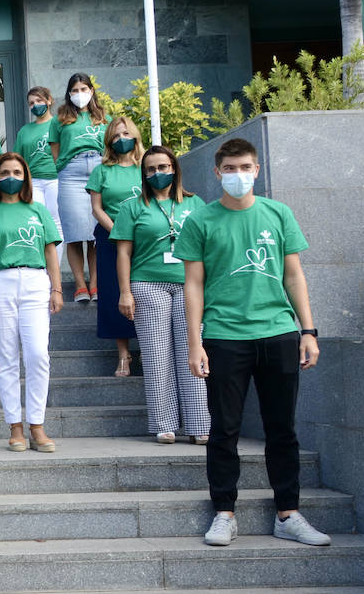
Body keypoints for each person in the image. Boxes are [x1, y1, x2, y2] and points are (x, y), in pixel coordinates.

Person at [175, 137, 329, 548]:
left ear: (257, 170)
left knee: (282, 429)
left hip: (278, 333)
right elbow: (193, 284)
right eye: (230, 168)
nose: (238, 175)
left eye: (245, 167)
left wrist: (308, 331)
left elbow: (294, 276)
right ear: (217, 172)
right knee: (224, 430)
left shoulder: (278, 214)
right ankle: (224, 513)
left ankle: (288, 514)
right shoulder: (200, 221)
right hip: (225, 336)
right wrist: (195, 342)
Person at [113, 146, 209, 444]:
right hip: (147, 284)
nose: (158, 173)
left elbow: (209, 248)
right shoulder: (132, 207)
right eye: (151, 169)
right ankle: (164, 423)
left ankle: (199, 424)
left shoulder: (196, 204)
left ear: (175, 169)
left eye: (163, 167)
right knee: (156, 356)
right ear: (144, 174)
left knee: (192, 352)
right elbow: (123, 252)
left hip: (189, 286)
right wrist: (125, 292)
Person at [0, 153, 64, 453]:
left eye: (16, 171)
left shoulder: (38, 210)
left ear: (26, 176)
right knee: (6, 356)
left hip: (35, 282)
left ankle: (37, 425)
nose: (11, 177)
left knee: (39, 354)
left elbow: (51, 250)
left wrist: (57, 289)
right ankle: (14, 425)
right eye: (4, 172)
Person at [86, 115, 144, 376]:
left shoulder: (146, 167)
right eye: (116, 136)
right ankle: (124, 354)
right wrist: (118, 231)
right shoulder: (102, 170)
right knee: (115, 294)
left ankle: (149, 347)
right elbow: (97, 208)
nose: (121, 139)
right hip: (110, 238)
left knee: (144, 292)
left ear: (135, 137)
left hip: (145, 239)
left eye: (126, 134)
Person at [49, 73, 106, 305]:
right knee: (74, 233)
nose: (79, 93)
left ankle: (95, 284)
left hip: (100, 168)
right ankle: (80, 285)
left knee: (95, 233)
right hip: (71, 173)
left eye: (84, 89)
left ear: (91, 91)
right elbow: (55, 150)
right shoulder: (60, 119)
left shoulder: (104, 117)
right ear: (69, 93)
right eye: (75, 90)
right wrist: (64, 166)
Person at [13, 87, 63, 236]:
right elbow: (17, 159)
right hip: (33, 181)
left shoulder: (60, 124)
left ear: (49, 100)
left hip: (55, 179)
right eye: (31, 103)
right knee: (36, 222)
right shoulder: (25, 131)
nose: (35, 105)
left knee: (56, 223)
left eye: (39, 100)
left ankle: (55, 261)